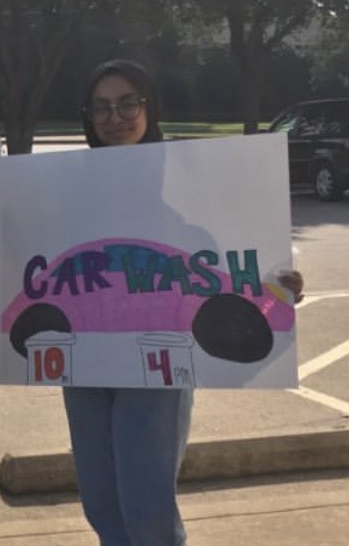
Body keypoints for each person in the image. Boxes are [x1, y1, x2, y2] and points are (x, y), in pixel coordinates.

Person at [65, 58, 304, 546]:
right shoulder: (64, 185)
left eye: (127, 103)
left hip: (158, 363)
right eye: (101, 107)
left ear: (149, 107)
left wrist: (276, 289)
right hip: (86, 361)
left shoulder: (190, 179)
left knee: (147, 512)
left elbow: (229, 260)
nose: (115, 117)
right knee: (102, 505)